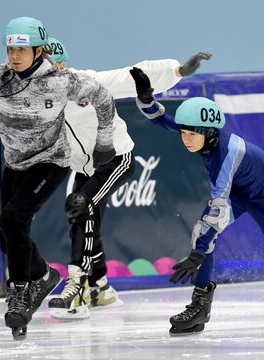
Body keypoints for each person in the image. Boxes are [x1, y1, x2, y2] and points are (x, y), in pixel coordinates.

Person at [0, 17, 116, 340]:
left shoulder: (61, 81)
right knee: (8, 236)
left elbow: (103, 97)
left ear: (39, 50)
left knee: (14, 219)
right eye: (10, 49)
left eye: (22, 49)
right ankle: (43, 275)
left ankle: (19, 291)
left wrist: (104, 142)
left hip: (50, 161)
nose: (14, 56)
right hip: (15, 163)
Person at [129, 67, 264, 336]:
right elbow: (163, 121)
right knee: (202, 233)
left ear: (209, 133)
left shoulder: (225, 157)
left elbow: (217, 216)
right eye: (185, 133)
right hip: (238, 191)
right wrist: (145, 98)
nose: (186, 139)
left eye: (191, 135)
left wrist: (197, 254)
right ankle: (199, 306)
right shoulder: (201, 135)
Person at [44, 37, 212, 318]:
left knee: (81, 204)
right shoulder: (34, 98)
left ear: (64, 65)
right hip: (84, 168)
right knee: (82, 219)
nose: (51, 73)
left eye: (56, 66)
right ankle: (100, 287)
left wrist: (176, 71)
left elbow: (131, 74)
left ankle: (77, 285)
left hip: (117, 160)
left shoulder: (85, 83)